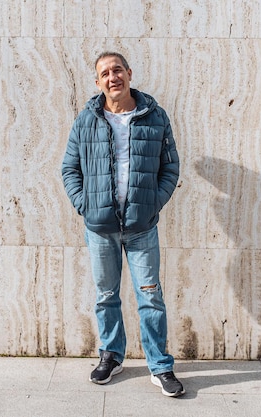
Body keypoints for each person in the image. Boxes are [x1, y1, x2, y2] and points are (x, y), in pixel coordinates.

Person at [61, 51, 184, 397]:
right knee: (106, 295)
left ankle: (160, 366)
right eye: (105, 73)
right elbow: (69, 168)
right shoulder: (87, 119)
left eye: (118, 70)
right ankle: (112, 355)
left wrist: (152, 203)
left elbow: (170, 167)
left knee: (151, 297)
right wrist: (86, 206)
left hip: (142, 226)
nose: (112, 77)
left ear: (129, 74)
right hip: (100, 228)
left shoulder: (154, 116)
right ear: (98, 82)